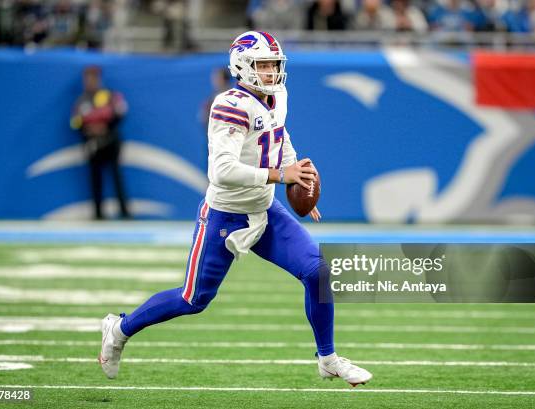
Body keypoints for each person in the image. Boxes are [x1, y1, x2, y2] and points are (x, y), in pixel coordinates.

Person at [98, 31, 372, 387]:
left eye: (275, 64)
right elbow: (221, 172)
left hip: (265, 209)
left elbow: (278, 136)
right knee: (193, 299)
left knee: (317, 271)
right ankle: (119, 329)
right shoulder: (229, 104)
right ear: (242, 67)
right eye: (264, 64)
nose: (272, 72)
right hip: (225, 215)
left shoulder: (277, 96)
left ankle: (328, 358)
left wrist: (297, 179)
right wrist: (280, 174)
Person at [70, 65, 130, 220]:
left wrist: (106, 127)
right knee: (95, 178)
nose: (90, 81)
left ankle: (124, 212)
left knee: (116, 177)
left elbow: (120, 113)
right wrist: (88, 129)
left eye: (93, 78)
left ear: (98, 79)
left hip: (110, 141)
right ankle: (98, 213)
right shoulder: (81, 100)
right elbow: (74, 122)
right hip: (92, 144)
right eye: (87, 78)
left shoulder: (109, 95)